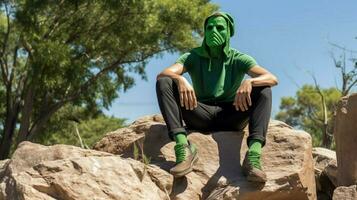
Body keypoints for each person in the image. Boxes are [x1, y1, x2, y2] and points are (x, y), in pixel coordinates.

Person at [155, 12, 278, 182]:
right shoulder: (193, 56)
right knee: (165, 82)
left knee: (264, 89)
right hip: (199, 114)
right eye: (209, 27)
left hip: (232, 115)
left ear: (229, 32)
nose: (214, 31)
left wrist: (249, 83)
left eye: (220, 28)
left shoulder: (239, 58)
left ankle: (253, 157)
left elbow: (272, 78)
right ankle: (183, 146)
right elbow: (164, 74)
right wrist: (180, 78)